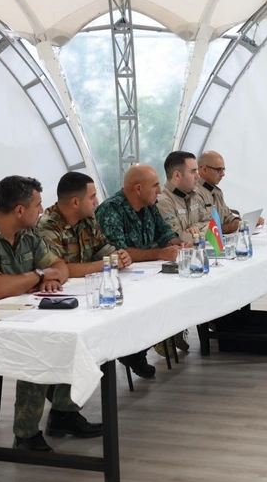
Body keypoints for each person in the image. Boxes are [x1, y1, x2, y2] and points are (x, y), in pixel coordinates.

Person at [0, 176, 101, 453]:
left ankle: (64, 413)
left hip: (16, 314)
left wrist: (48, 279)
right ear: (19, 210)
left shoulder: (28, 232)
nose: (42, 210)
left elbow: (60, 266)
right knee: (38, 346)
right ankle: (26, 435)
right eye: (38, 205)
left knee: (70, 331)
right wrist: (39, 276)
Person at [38, 171, 152, 379]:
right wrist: (103, 264)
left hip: (88, 291)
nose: (96, 202)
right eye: (92, 197)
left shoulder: (88, 219)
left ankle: (131, 352)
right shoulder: (48, 226)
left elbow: (102, 247)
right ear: (75, 202)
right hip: (62, 300)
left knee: (140, 302)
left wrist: (120, 255)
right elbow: (61, 269)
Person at [97, 163, 190, 358]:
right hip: (121, 280)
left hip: (146, 273)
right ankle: (134, 352)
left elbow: (165, 234)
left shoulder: (149, 206)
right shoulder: (111, 209)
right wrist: (160, 254)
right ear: (138, 188)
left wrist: (180, 245)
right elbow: (119, 252)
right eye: (155, 185)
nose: (160, 190)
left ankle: (170, 333)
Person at [157, 151, 211, 243]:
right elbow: (177, 240)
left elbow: (210, 223)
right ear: (177, 175)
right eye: (193, 171)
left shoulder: (195, 195)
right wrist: (205, 233)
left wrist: (196, 227)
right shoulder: (163, 202)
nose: (198, 176)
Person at [196, 150, 251, 234]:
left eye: (223, 170)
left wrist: (238, 221)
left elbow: (228, 216)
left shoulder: (217, 192)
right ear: (204, 169)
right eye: (219, 170)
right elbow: (206, 229)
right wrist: (232, 226)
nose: (223, 174)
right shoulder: (195, 193)